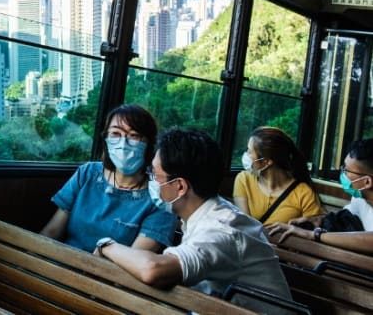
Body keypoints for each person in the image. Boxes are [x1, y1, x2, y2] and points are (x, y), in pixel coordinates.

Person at [95, 128, 292, 303]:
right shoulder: (204, 213)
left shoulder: (222, 230)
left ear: (180, 187)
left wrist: (107, 245)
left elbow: (153, 270)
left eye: (154, 175)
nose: (151, 181)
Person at [40, 104, 177, 253]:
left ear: (149, 143)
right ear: (106, 138)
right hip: (63, 260)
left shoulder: (160, 198)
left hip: (109, 268)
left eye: (134, 135)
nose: (123, 144)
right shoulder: (87, 173)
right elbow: (52, 232)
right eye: (115, 134)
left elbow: (135, 259)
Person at [267, 138, 373, 254]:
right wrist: (316, 219)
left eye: (346, 170)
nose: (342, 173)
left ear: (367, 182)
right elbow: (345, 221)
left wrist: (314, 235)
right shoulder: (359, 199)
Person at [233, 126, 323, 225]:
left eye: (250, 151)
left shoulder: (304, 193)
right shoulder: (244, 180)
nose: (246, 155)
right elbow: (246, 226)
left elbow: (315, 227)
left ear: (267, 161)